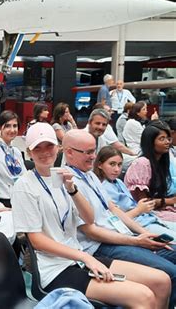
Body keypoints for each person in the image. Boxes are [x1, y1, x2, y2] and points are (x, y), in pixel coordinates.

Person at [12, 123, 171, 308]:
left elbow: (89, 218)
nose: (45, 152)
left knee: (162, 281)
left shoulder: (62, 177)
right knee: (144, 296)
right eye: (37, 147)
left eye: (49, 145)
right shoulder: (24, 185)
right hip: (55, 268)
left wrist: (72, 189)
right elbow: (37, 240)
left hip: (78, 259)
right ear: (29, 152)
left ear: (58, 148)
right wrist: (85, 257)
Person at [62, 129, 176, 306]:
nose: (93, 157)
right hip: (100, 246)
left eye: (94, 151)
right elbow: (91, 231)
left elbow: (113, 208)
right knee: (170, 273)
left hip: (120, 235)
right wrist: (137, 241)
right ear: (69, 152)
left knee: (172, 253)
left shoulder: (90, 175)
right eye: (89, 152)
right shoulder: (68, 183)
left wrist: (143, 233)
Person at [94, 145, 176, 238]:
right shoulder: (101, 188)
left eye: (119, 164)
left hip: (149, 219)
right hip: (137, 226)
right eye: (112, 164)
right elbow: (115, 221)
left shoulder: (118, 182)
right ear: (100, 165)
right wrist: (139, 210)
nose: (117, 169)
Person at [125, 120, 176, 223]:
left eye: (168, 138)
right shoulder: (142, 163)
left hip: (159, 210)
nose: (167, 142)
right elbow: (144, 204)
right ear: (150, 142)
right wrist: (170, 201)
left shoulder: (162, 162)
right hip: (142, 215)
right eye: (162, 139)